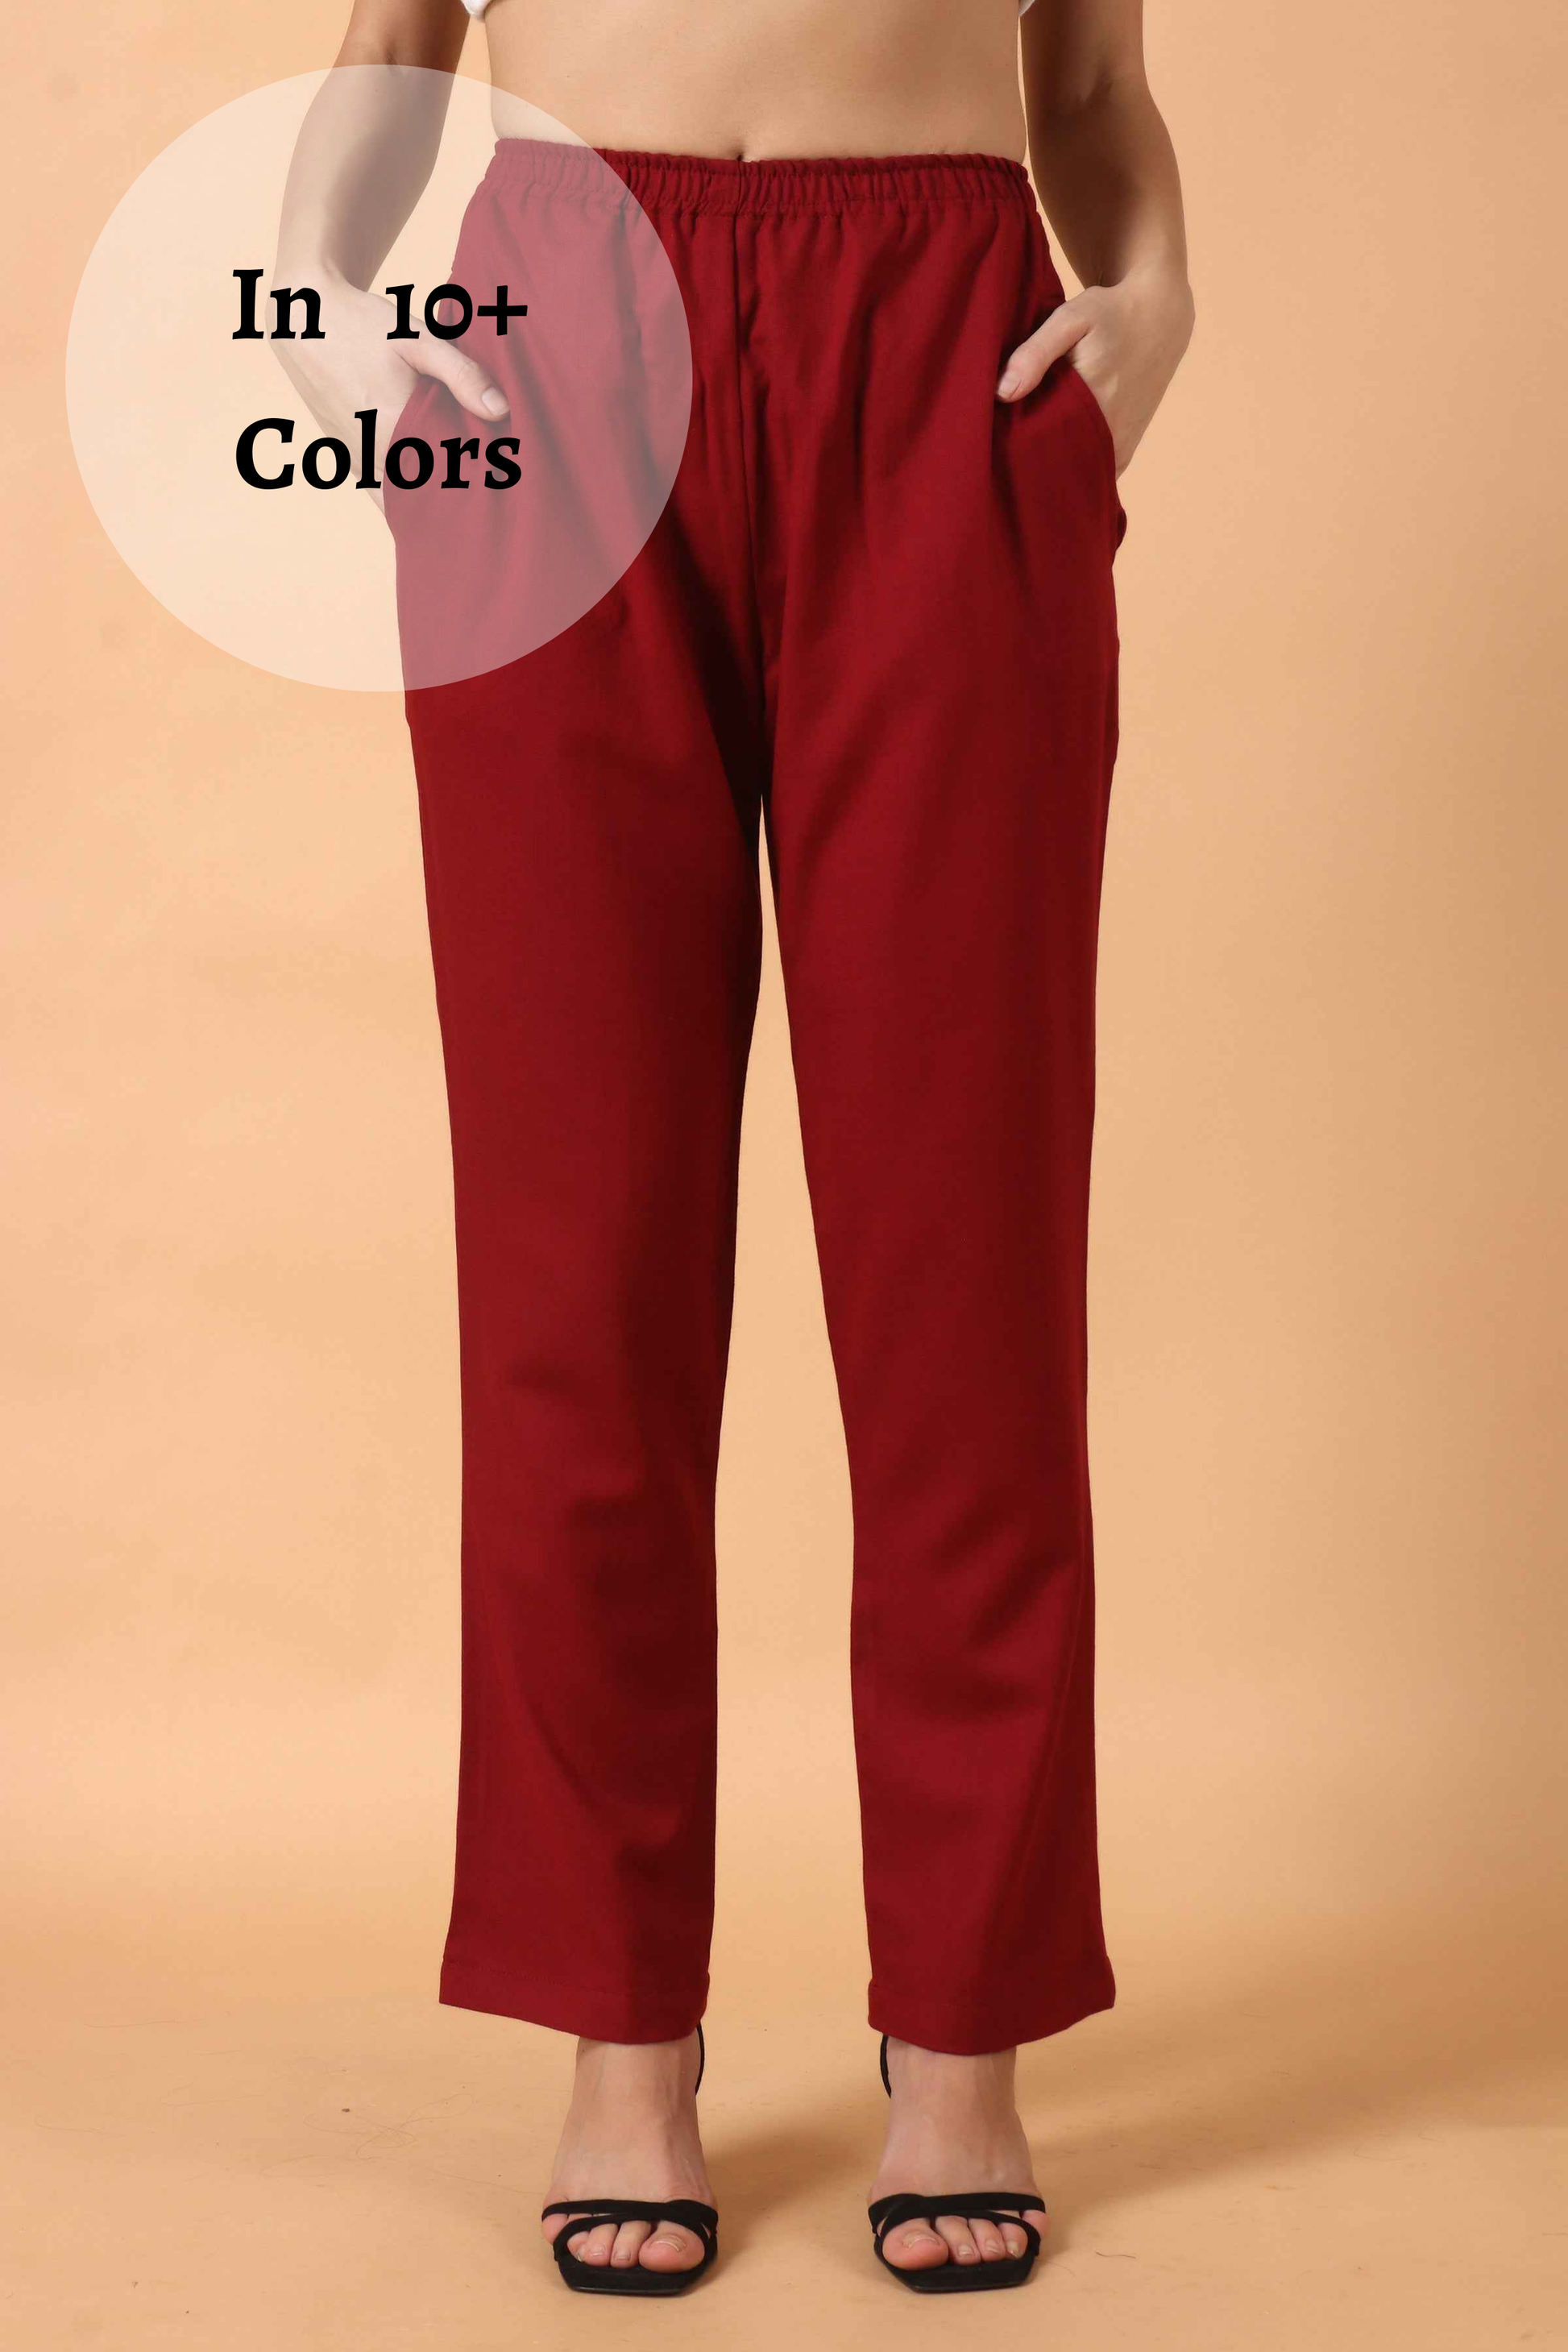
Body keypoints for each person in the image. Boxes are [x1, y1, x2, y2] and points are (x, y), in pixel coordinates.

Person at [282, 0, 1193, 2295]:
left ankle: (964, 2030)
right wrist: (334, 328)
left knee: (970, 1262)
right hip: (552, 337)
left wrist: (1156, 298)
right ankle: (621, 2039)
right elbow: (388, 47)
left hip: (944, 351)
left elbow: (1088, 83)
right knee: (574, 1261)